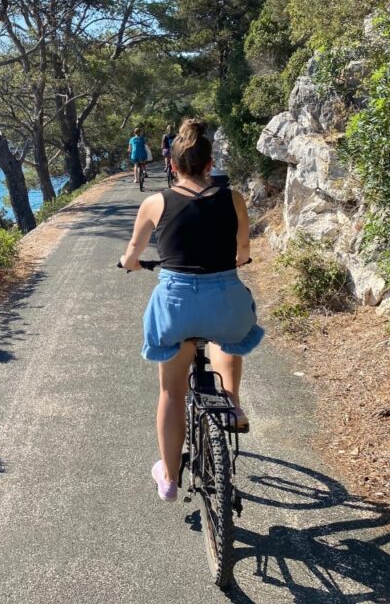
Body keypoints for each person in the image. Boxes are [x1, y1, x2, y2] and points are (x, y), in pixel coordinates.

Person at [120, 118, 263, 502]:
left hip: (177, 304)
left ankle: (168, 476)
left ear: (173, 164)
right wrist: (238, 259)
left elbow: (132, 256)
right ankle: (231, 403)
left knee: (171, 390)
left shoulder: (155, 202)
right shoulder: (232, 198)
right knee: (228, 337)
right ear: (209, 162)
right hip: (224, 298)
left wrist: (130, 262)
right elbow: (243, 249)